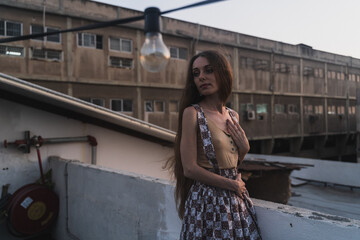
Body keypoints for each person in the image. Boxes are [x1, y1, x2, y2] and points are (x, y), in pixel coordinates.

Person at [169, 50, 262, 239]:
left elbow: (228, 163)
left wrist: (244, 149)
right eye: (196, 73)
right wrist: (232, 185)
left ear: (222, 73)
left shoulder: (232, 115)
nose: (201, 77)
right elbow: (189, 169)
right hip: (206, 202)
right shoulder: (193, 113)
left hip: (234, 201)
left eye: (208, 70)